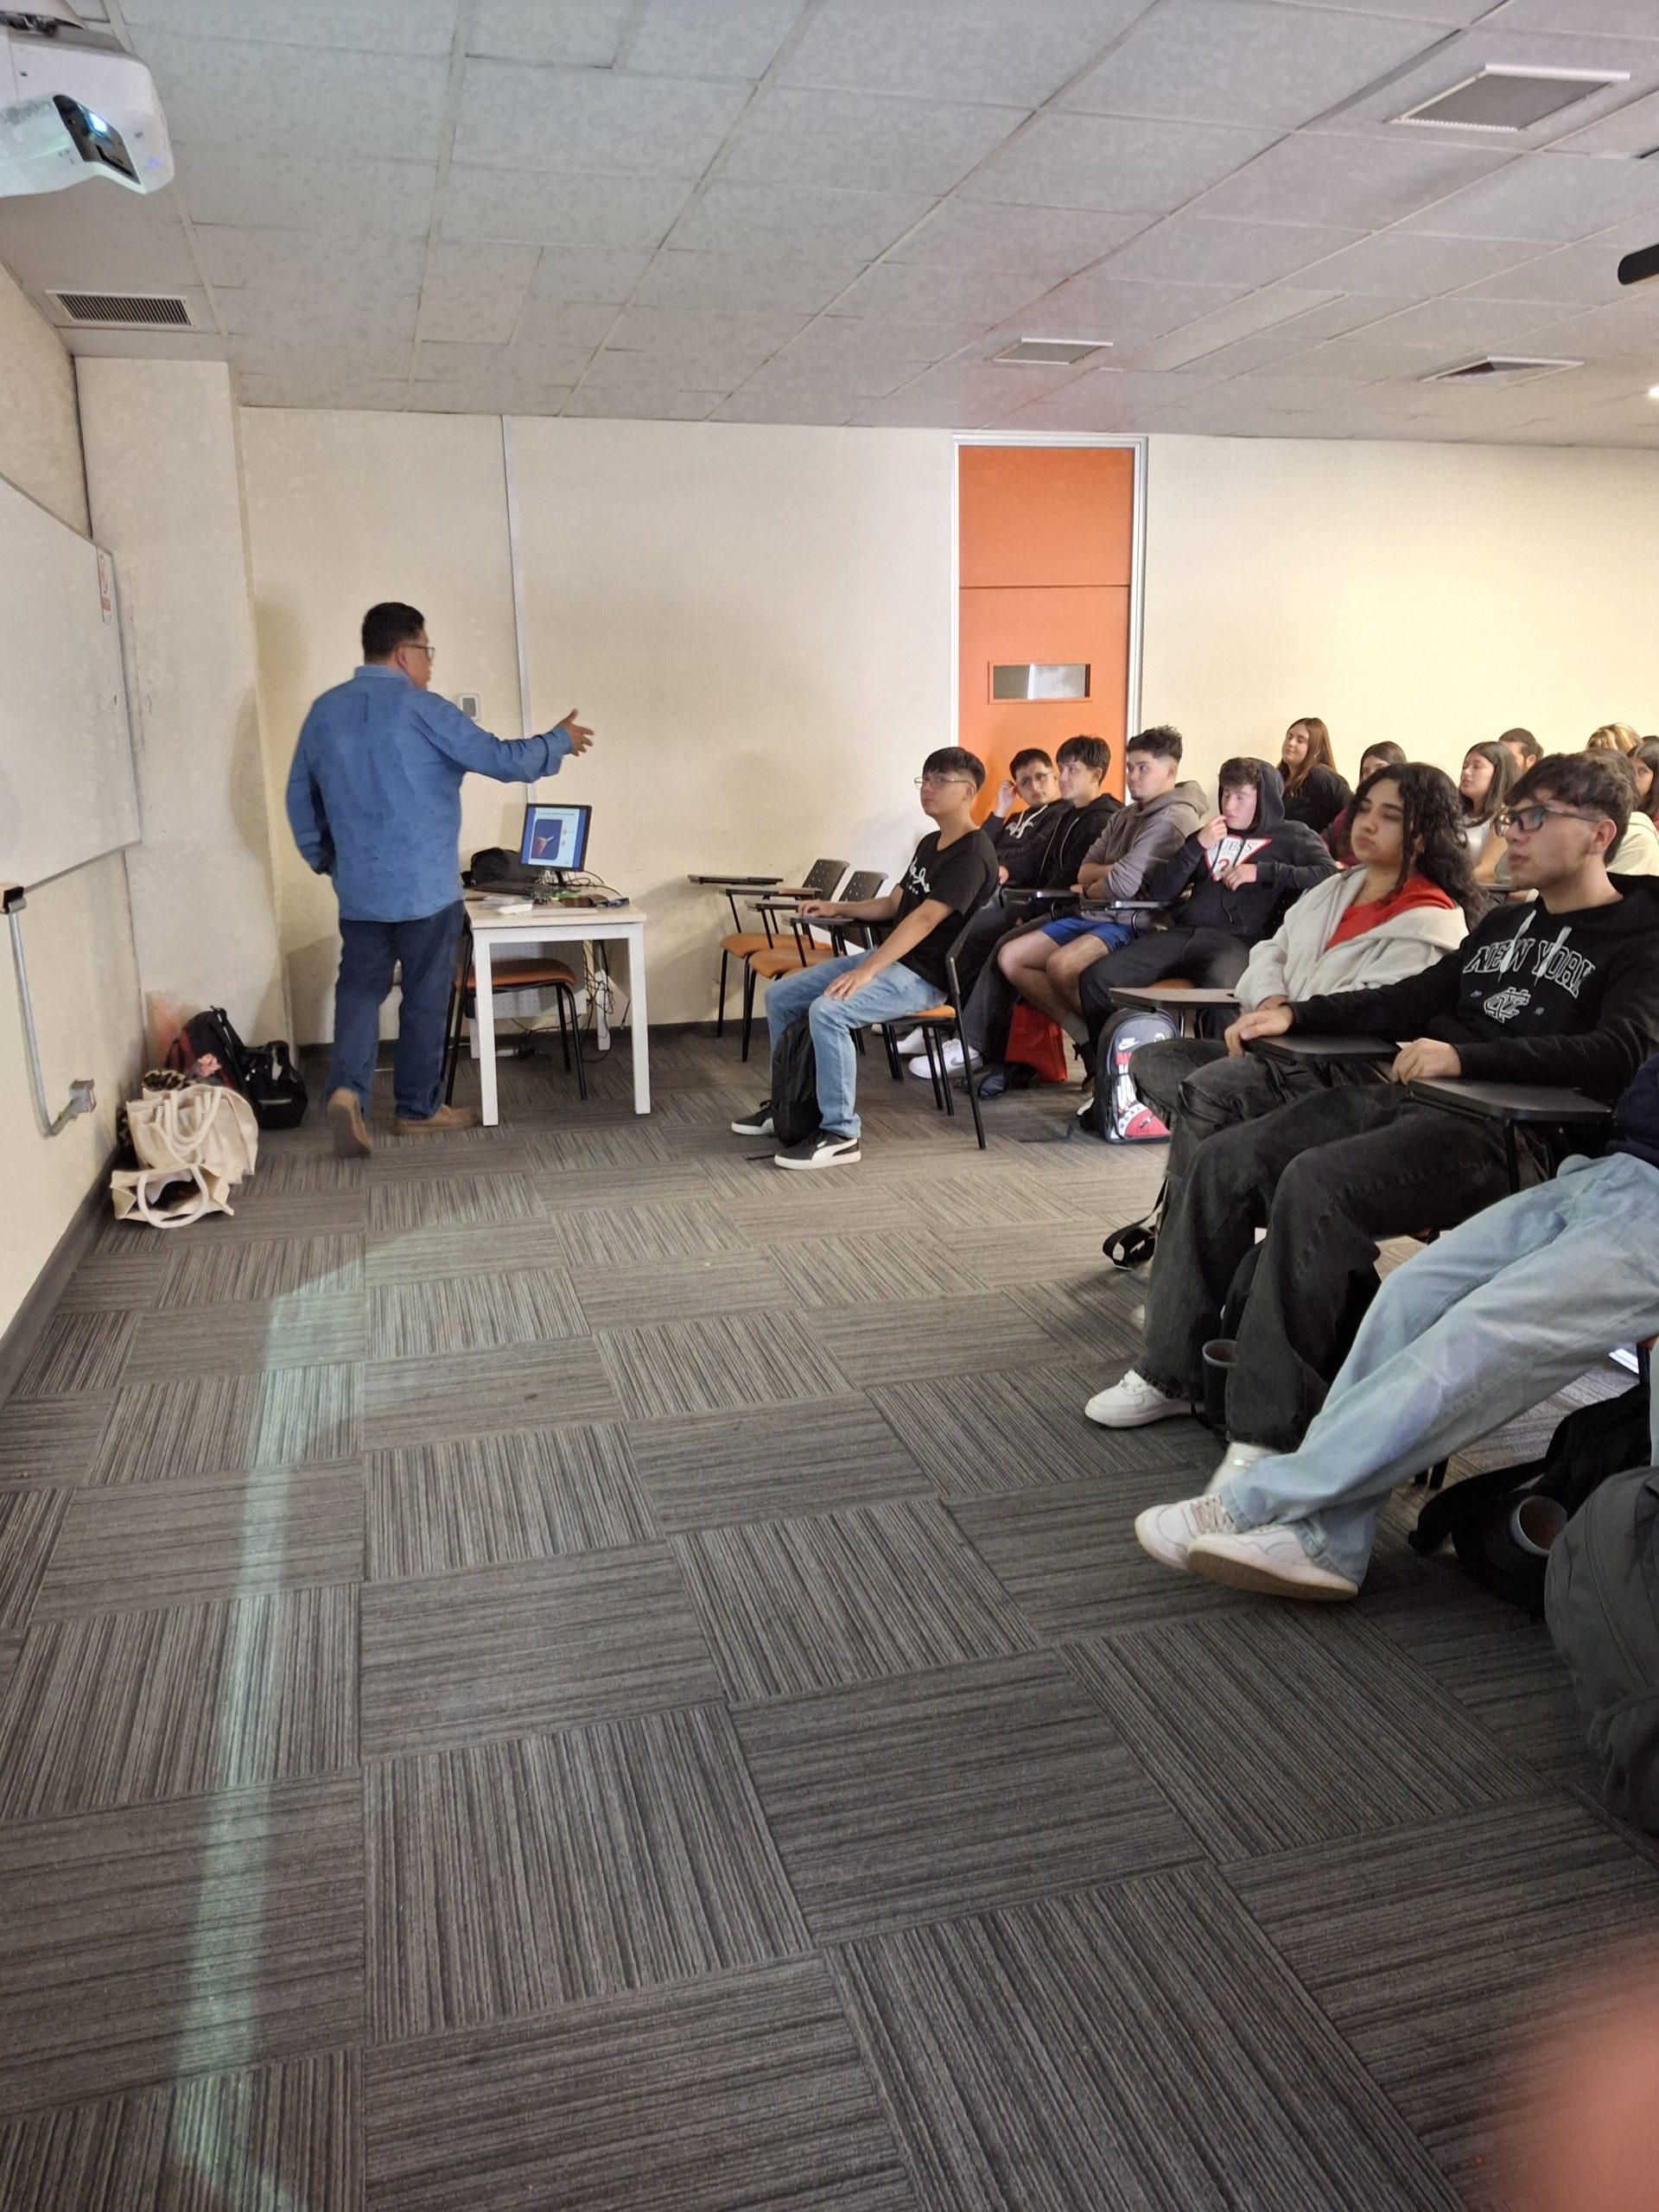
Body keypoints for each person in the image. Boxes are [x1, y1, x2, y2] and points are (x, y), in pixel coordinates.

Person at [1084, 752, 1659, 1484]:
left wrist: (1466, 1059)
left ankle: (1268, 1434)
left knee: (1317, 1184)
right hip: (1414, 1101)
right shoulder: (1507, 922)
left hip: (1511, 1134)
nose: (1512, 832)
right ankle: (1172, 1372)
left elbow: (1622, 1052)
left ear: (1600, 834)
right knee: (1225, 1158)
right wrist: (1295, 1014)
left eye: (1536, 817)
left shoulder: (1641, 937)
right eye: (1513, 815)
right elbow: (1406, 1000)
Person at [1132, 1048, 1659, 1601]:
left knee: (1472, 1337)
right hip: (1610, 1173)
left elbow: (1619, 1046)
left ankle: (1255, 1502)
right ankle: (1331, 1539)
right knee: (1408, 1297)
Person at [285, 601, 593, 1157]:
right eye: (427, 651)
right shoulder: (423, 709)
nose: (430, 664)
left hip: (360, 890)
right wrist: (558, 740)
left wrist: (329, 861)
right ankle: (417, 1110)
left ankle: (347, 1092)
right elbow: (501, 759)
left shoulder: (324, 712)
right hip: (425, 890)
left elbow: (300, 802)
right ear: (404, 653)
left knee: (359, 991)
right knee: (425, 996)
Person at [1132, 763, 1477, 1192]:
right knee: (1157, 1062)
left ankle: (1210, 1202)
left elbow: (1370, 1010)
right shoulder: (1335, 888)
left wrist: (1294, 1016)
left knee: (1210, 1092)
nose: (1367, 823)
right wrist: (1271, 1001)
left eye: (1389, 816)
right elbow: (1269, 952)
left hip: (1345, 1074)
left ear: (1422, 835)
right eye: (1365, 808)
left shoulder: (1429, 919)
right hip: (1278, 1055)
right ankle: (1234, 1191)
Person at [730, 747, 998, 1170]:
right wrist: (836, 908)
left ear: (968, 791)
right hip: (892, 961)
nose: (927, 788)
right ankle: (789, 1106)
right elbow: (895, 904)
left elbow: (925, 920)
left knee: (829, 1012)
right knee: (781, 997)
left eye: (939, 781)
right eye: (925, 779)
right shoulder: (930, 843)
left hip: (923, 978)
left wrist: (867, 970)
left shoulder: (973, 855)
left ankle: (840, 1132)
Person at [959, 724, 1206, 1093]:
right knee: (1012, 957)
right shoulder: (1125, 814)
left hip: (1132, 921)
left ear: (1170, 772)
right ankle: (1093, 1043)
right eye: (1130, 767)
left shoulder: (1173, 818)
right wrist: (1104, 877)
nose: (1133, 776)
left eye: (1143, 768)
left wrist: (1096, 881)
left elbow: (1120, 884)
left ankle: (1113, 1051)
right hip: (1093, 912)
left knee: (1061, 965)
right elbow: (1084, 869)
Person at [1072, 757, 1336, 1065]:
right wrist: (1196, 845)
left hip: (1237, 942)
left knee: (1221, 995)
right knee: (1097, 977)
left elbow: (1328, 874)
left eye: (1241, 797)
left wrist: (1262, 872)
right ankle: (1108, 1070)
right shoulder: (1209, 833)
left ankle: (1216, 1079)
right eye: (1226, 794)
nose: (1229, 805)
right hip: (1182, 933)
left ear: (1263, 799)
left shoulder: (1292, 835)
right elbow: (1162, 892)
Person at [899, 734, 1118, 1078]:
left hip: (1063, 909)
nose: (1061, 778)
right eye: (1060, 769)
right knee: (965, 928)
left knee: (985, 937)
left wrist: (1022, 901)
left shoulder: (1094, 816)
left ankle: (971, 1042)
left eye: (1067, 770)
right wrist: (1000, 813)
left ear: (1096, 774)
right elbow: (980, 847)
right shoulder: (1062, 815)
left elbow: (1063, 874)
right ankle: (945, 1023)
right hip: (1034, 901)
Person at [1324, 741, 1405, 861]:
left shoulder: (1404, 812)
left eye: (1380, 768)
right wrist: (1324, 862)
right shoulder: (1353, 809)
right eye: (1366, 771)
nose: (1371, 776)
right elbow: (1324, 839)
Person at [1277, 716, 1351, 837]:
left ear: (1317, 750)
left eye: (1300, 740)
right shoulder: (1278, 777)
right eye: (1289, 737)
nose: (1291, 743)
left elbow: (1350, 814)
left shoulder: (1322, 778)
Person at [1457, 740, 1517, 885]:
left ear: (1498, 773)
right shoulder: (1457, 814)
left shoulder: (1503, 818)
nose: (1466, 772)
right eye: (1464, 766)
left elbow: (1487, 872)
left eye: (1477, 766)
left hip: (1478, 891)